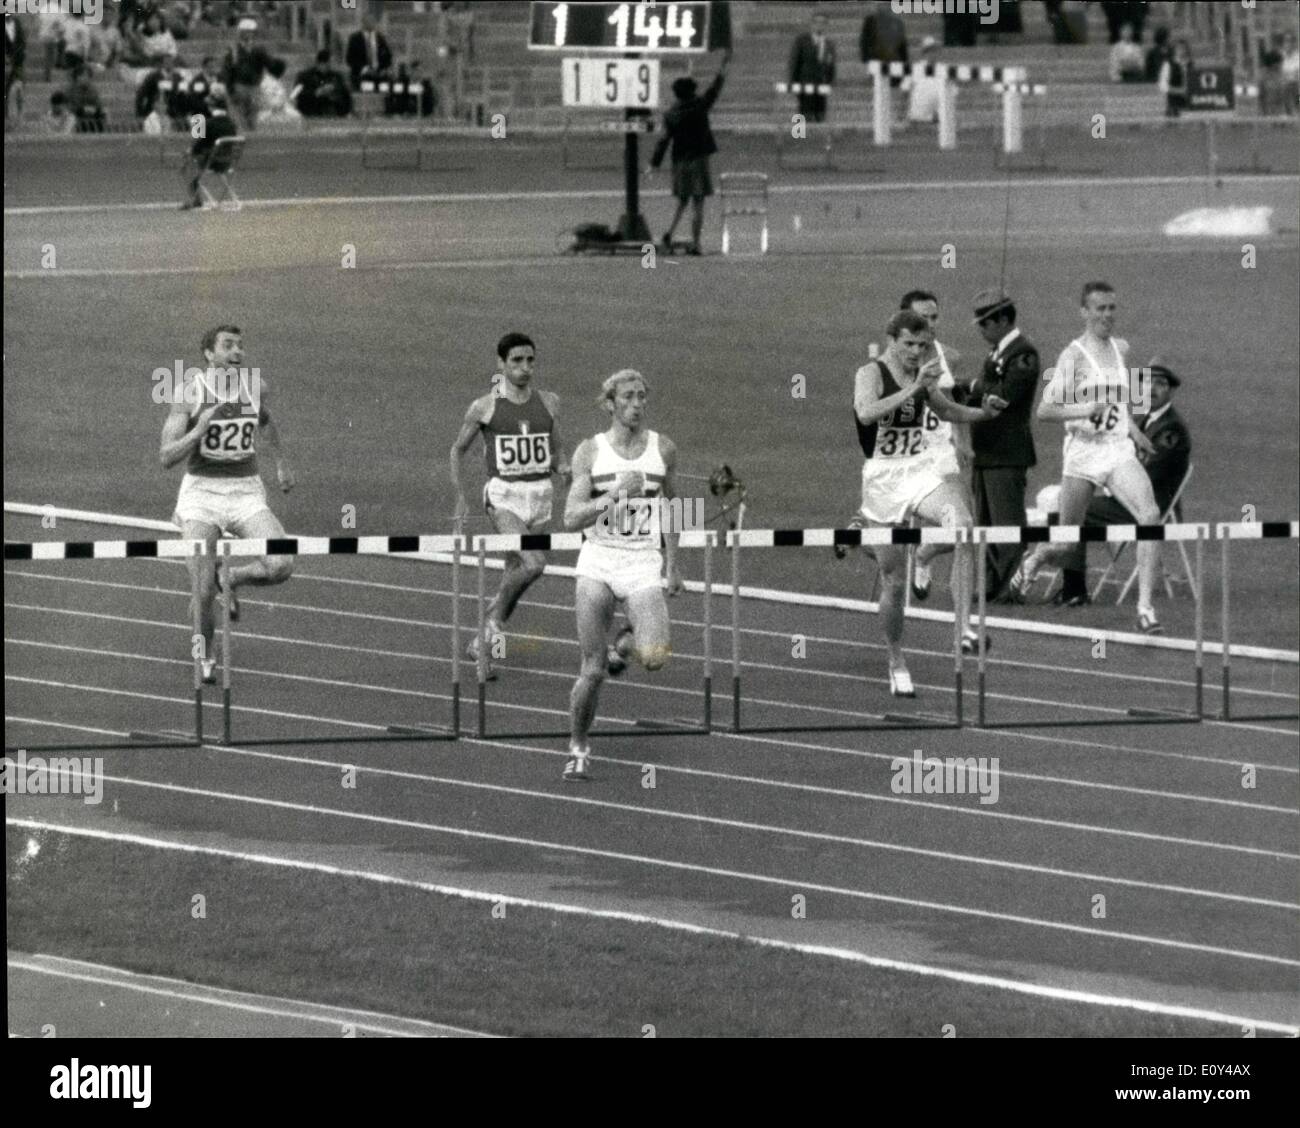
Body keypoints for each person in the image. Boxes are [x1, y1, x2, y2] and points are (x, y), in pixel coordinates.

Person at [853, 310, 1008, 697]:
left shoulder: (924, 373)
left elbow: (946, 410)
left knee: (962, 523)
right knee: (892, 579)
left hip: (919, 471)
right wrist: (913, 389)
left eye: (922, 345)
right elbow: (866, 412)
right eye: (908, 344)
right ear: (892, 341)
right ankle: (895, 658)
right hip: (883, 480)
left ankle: (957, 616)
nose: (916, 352)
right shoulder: (870, 373)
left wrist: (984, 414)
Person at [1009, 283, 1164, 633]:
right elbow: (1045, 410)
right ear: (1084, 312)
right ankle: (1035, 559)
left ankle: (1145, 608)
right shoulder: (1073, 356)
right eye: (1100, 309)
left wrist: (1133, 430)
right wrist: (1085, 408)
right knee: (1066, 544)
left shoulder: (1121, 348)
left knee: (1150, 514)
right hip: (1082, 454)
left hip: (1115, 449)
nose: (1107, 315)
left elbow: (1120, 399)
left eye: (1112, 308)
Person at [562, 370, 684, 781]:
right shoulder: (590, 452)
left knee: (655, 658)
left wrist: (674, 563)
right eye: (627, 397)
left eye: (641, 397)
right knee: (592, 670)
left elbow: (675, 506)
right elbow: (569, 517)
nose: (636, 404)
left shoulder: (662, 449)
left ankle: (625, 645)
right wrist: (614, 494)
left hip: (641, 563)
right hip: (598, 560)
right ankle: (578, 747)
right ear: (610, 403)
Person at [159, 324, 295, 684]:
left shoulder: (255, 387)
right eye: (228, 345)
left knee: (281, 564)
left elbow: (266, 423)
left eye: (240, 345)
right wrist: (198, 430)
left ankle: (231, 577)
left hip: (245, 492)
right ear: (209, 354)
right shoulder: (189, 392)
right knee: (201, 590)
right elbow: (166, 457)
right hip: (201, 495)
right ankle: (205, 650)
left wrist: (281, 463)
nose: (237, 351)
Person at [450, 333, 570, 680]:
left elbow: (555, 449)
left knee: (512, 574)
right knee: (533, 564)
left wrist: (562, 467)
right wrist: (461, 494)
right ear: (501, 364)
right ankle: (492, 619)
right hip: (504, 498)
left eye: (530, 361)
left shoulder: (549, 402)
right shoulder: (484, 406)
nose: (525, 368)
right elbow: (457, 450)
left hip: (540, 498)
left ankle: (482, 642)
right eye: (516, 361)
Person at [1050, 361, 1190, 605]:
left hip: (1149, 504)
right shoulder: (1138, 419)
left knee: (1069, 510)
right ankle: (1070, 585)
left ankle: (1073, 590)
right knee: (1065, 503)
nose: (1152, 388)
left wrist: (1104, 477)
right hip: (1124, 498)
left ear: (1171, 391)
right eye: (1147, 381)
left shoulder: (1171, 428)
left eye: (1161, 383)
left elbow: (1152, 472)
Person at [965, 289, 1041, 600]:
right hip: (985, 452)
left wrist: (971, 386)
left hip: (1006, 454)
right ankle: (989, 586)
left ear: (1004, 320)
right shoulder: (997, 353)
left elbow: (1004, 395)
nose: (982, 329)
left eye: (985, 322)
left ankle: (1011, 586)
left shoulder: (1023, 354)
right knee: (986, 524)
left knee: (1006, 525)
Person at [896, 291, 968, 603]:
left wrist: (963, 442)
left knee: (964, 529)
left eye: (935, 316)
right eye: (923, 318)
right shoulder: (893, 363)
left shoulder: (947, 356)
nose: (931, 323)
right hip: (908, 459)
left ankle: (924, 554)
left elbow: (953, 404)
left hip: (942, 454)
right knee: (880, 544)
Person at [648, 49, 730, 255]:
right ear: (692, 91)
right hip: (698, 160)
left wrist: (654, 164)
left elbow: (663, 141)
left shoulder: (671, 114)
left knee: (682, 200)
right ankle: (696, 243)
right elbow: (715, 88)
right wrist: (723, 67)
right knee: (698, 202)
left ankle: (670, 232)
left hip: (680, 162)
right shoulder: (701, 106)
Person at [221, 16, 270, 129]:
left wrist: (258, 82)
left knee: (253, 119)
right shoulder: (233, 50)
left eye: (251, 32)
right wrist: (231, 90)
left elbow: (261, 68)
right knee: (239, 121)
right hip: (239, 86)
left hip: (254, 87)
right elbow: (228, 70)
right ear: (241, 33)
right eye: (245, 31)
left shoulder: (258, 50)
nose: (248, 34)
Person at [788, 11, 835, 124]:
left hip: (822, 83)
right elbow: (795, 62)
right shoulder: (802, 41)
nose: (820, 25)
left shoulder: (828, 44)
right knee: (804, 113)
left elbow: (831, 65)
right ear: (812, 24)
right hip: (805, 82)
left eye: (823, 23)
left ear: (826, 25)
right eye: (817, 22)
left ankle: (818, 138)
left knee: (820, 114)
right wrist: (794, 81)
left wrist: (829, 81)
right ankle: (798, 137)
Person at [293, 49, 352, 118]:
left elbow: (345, 93)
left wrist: (333, 91)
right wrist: (316, 93)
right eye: (329, 63)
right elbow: (295, 94)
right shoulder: (304, 76)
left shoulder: (337, 77)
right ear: (321, 63)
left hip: (334, 110)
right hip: (311, 110)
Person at [345, 14, 392, 91]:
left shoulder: (380, 38)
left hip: (379, 75)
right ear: (363, 23)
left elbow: (388, 56)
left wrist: (384, 69)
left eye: (373, 22)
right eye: (368, 21)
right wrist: (365, 69)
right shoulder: (355, 39)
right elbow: (349, 59)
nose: (371, 24)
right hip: (362, 76)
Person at [1158, 38, 1190, 118]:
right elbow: (1163, 86)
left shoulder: (1190, 64)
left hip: (1189, 103)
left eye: (1184, 48)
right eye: (1179, 48)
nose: (1182, 51)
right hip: (1173, 104)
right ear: (1174, 50)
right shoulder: (1168, 64)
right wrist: (1178, 91)